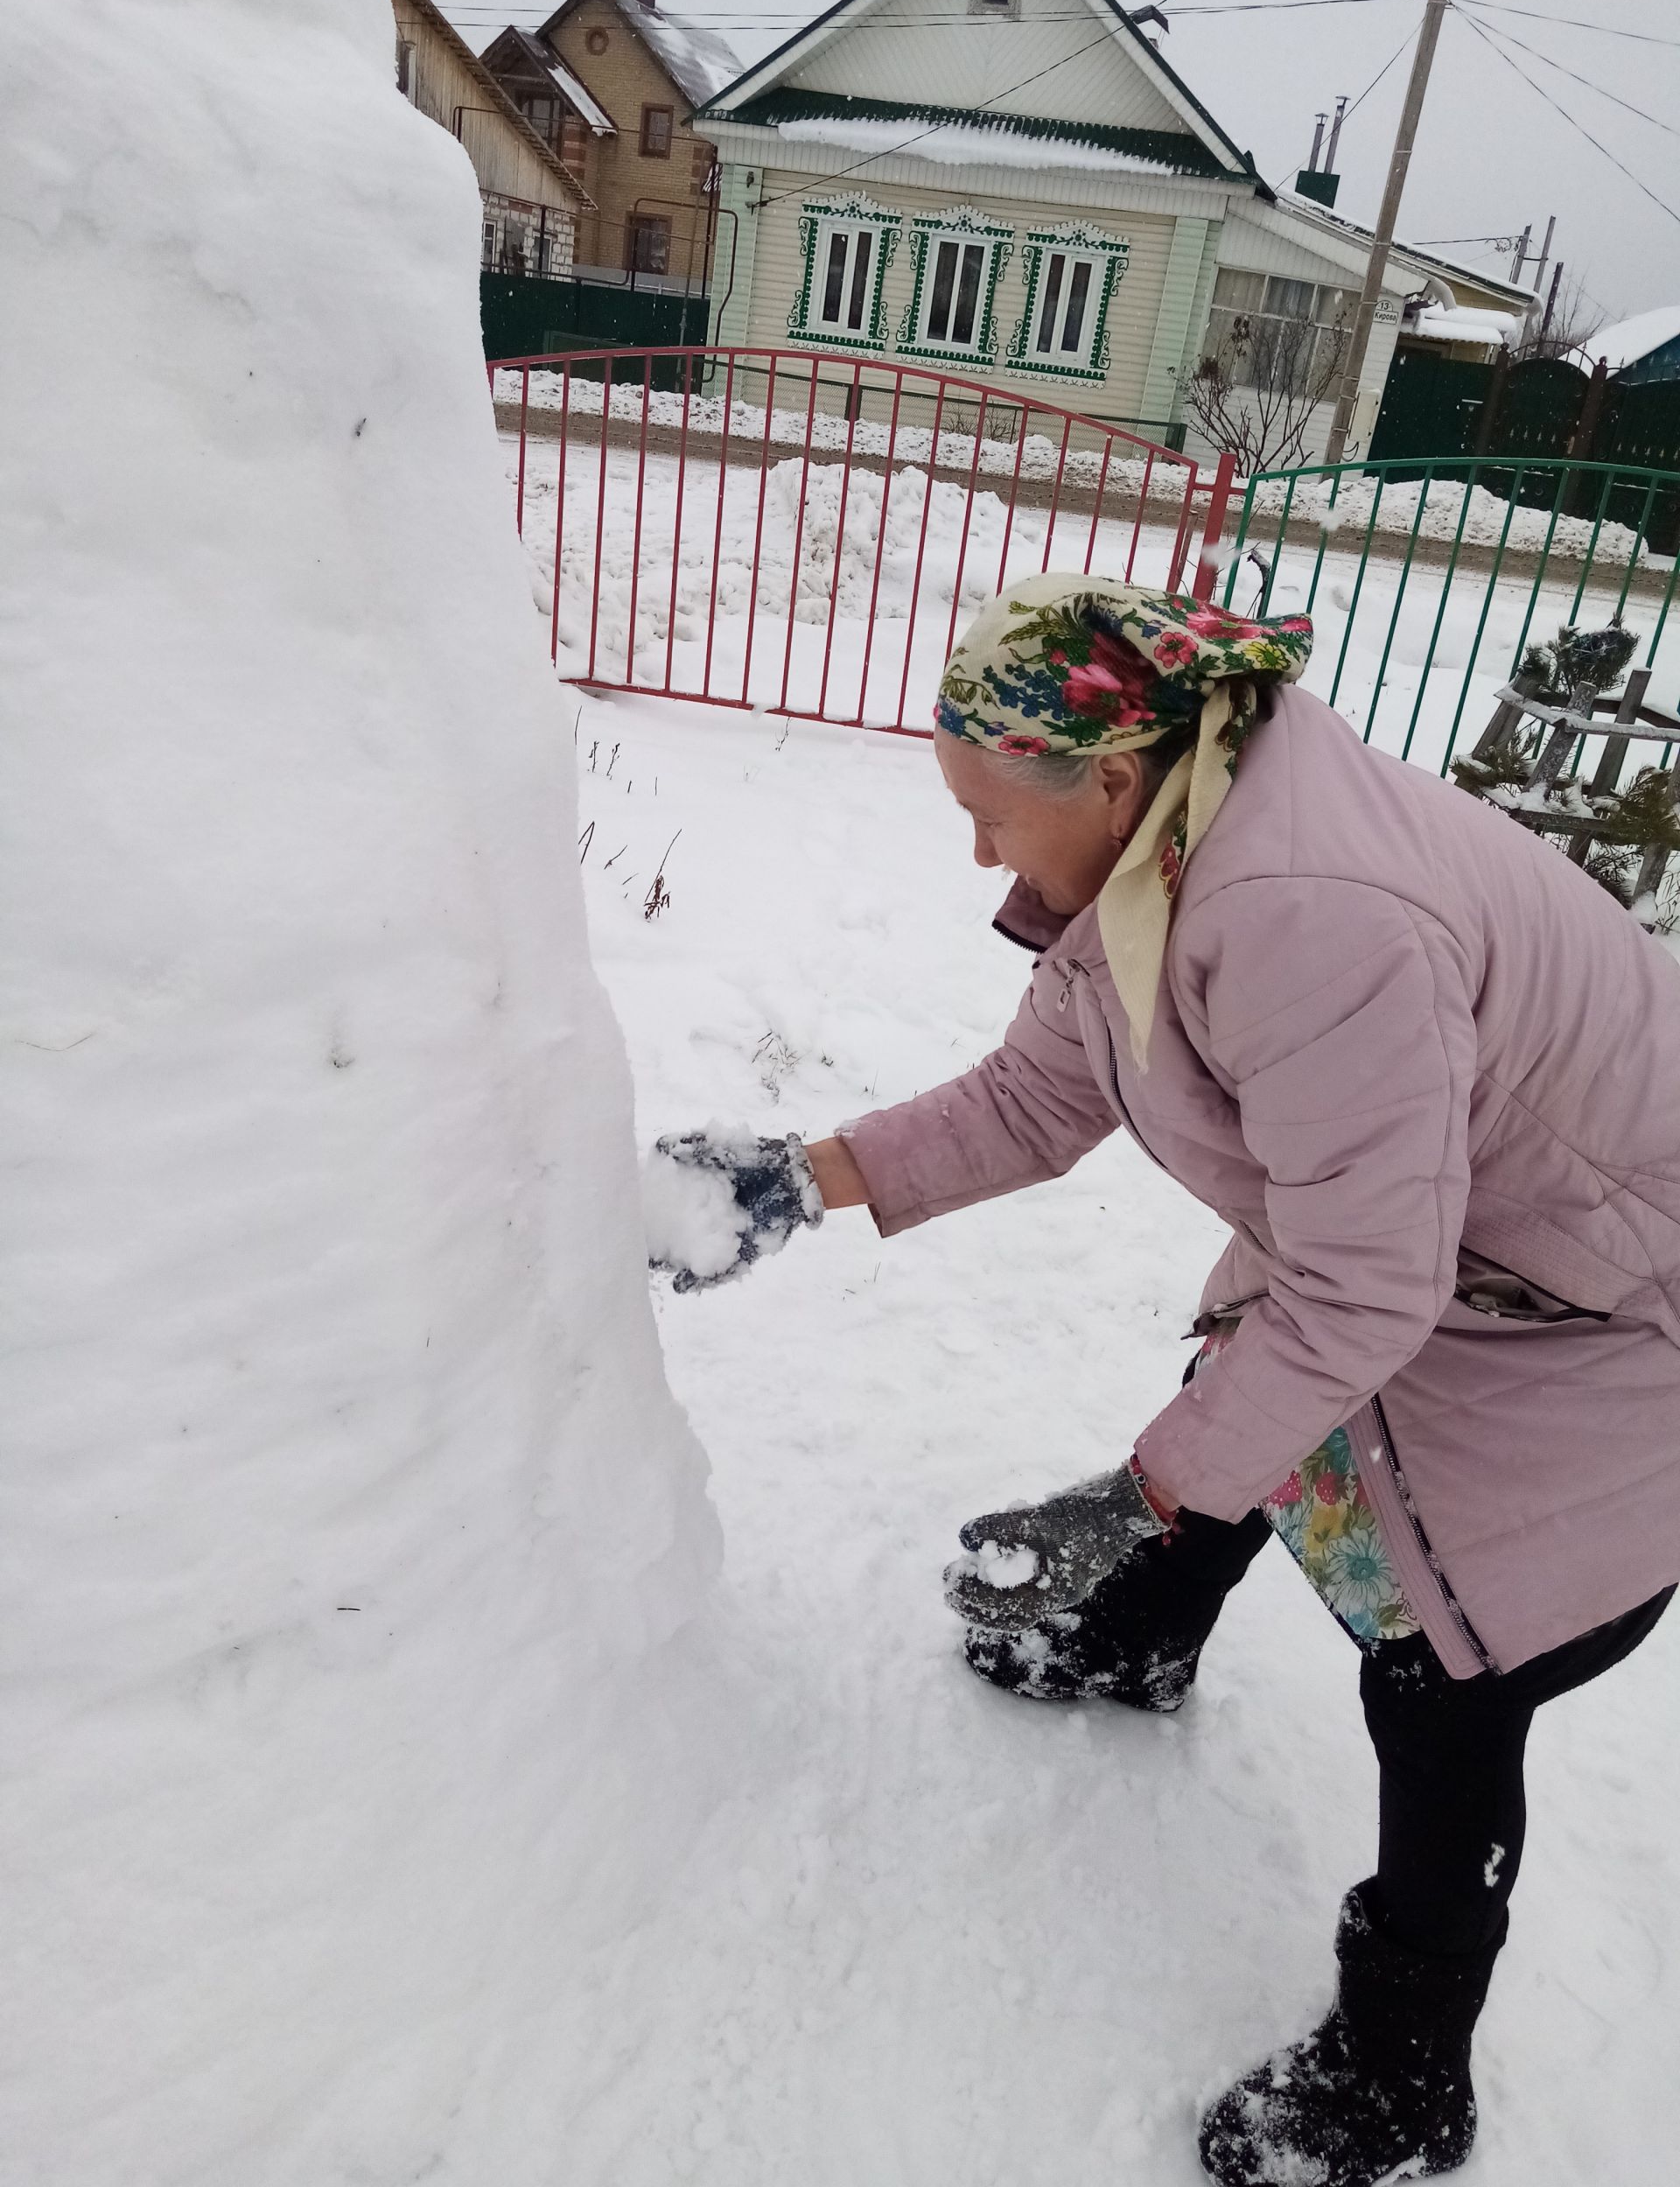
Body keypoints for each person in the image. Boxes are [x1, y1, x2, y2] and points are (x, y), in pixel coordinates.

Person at [649, 574, 1680, 2187]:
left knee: (1457, 1664)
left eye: (993, 819)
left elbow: (1359, 1294)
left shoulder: (1308, 913)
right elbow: (1033, 1101)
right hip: (1442, 1250)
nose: (981, 856)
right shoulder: (1170, 835)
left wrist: (1136, 1499)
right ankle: (1141, 1637)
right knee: (1278, 1391)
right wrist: (804, 1174)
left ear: (1111, 777)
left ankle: (1406, 2082)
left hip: (1617, 1301)